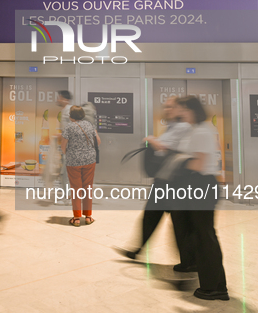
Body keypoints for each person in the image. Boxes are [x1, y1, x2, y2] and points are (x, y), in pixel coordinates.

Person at [115, 96, 191, 260]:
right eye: (165, 107)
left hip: (174, 183)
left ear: (179, 109)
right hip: (163, 181)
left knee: (178, 224)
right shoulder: (171, 127)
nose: (167, 110)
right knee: (150, 216)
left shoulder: (183, 127)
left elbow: (171, 150)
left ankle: (188, 261)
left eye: (171, 107)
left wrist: (152, 141)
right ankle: (137, 249)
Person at [172, 96, 228, 301]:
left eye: (183, 110)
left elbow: (198, 163)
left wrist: (176, 163)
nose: (180, 114)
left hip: (201, 185)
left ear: (193, 111)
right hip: (197, 185)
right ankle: (214, 284)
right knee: (201, 235)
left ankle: (215, 287)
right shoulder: (198, 129)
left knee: (205, 237)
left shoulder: (202, 131)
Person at [61, 106, 100, 227]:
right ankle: (88, 217)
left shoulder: (69, 127)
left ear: (71, 116)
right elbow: (98, 141)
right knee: (88, 188)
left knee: (76, 189)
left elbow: (63, 145)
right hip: (89, 160)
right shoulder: (89, 125)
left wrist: (69, 154)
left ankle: (77, 218)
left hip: (74, 162)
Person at [55, 90, 72, 203]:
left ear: (65, 99)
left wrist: (61, 134)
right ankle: (67, 196)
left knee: (66, 172)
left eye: (60, 98)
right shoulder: (64, 110)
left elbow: (73, 127)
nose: (58, 100)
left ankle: (68, 198)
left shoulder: (69, 110)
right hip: (66, 146)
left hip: (70, 147)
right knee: (64, 172)